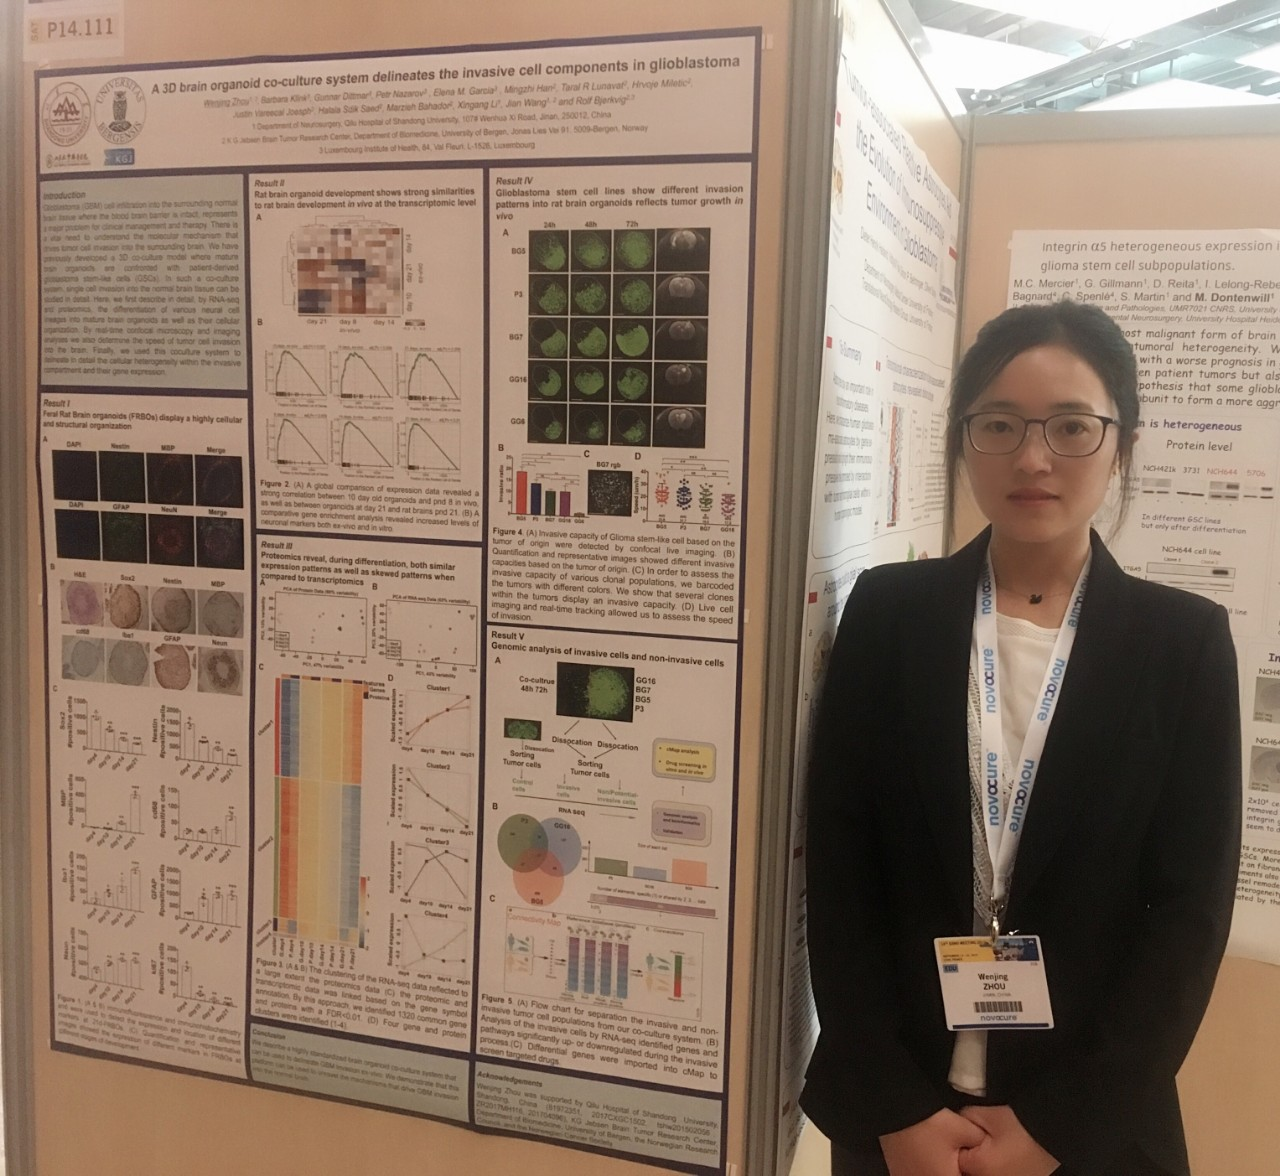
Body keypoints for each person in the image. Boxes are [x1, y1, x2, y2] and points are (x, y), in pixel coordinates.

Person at [801, 300, 1241, 1176]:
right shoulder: (889, 615)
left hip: (1090, 1131)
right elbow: (842, 871)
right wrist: (896, 1110)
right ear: (964, 438)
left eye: (1072, 427)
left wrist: (1057, 1131)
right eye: (999, 424)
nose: (1033, 458)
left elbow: (1188, 917)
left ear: (1122, 444)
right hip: (900, 1120)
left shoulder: (1181, 644)